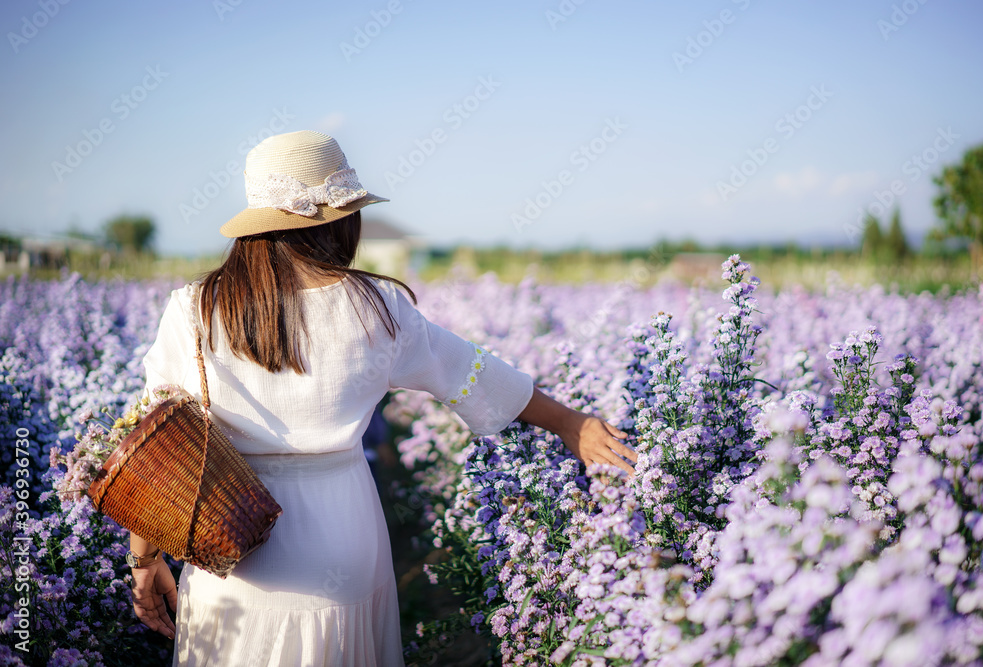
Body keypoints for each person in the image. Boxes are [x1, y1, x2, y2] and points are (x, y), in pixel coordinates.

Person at [126, 130, 637, 666]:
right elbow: (471, 373)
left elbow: (155, 445)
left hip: (225, 532)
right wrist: (570, 423)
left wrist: (145, 562)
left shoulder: (194, 310)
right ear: (345, 220)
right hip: (342, 523)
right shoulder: (378, 307)